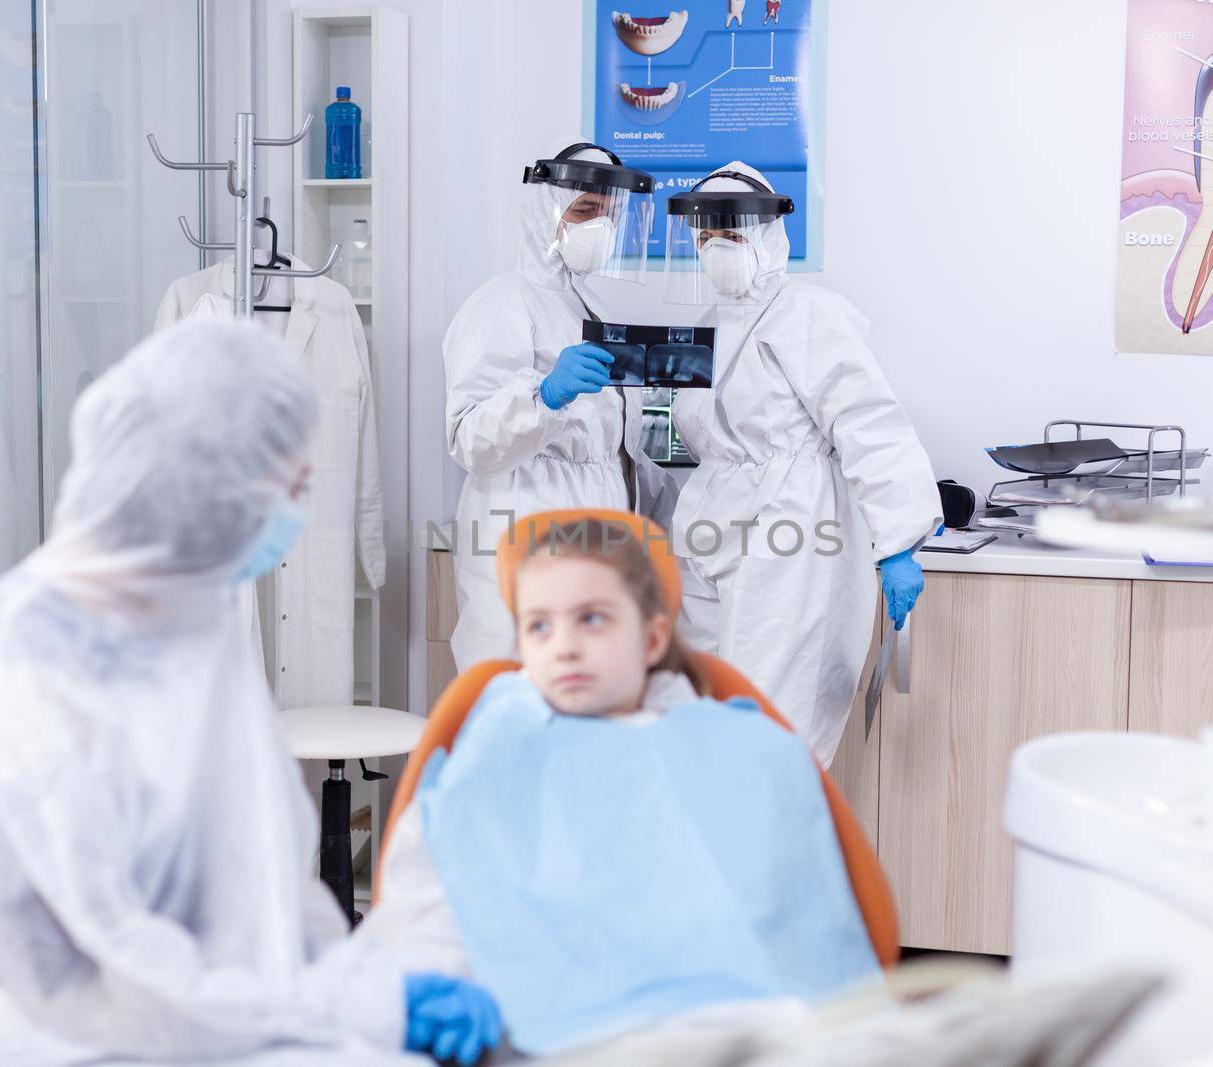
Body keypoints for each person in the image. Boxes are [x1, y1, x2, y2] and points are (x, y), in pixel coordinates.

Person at [0, 320, 500, 1067]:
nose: (300, 509)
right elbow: (99, 976)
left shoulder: (190, 626)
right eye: (288, 486)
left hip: (175, 1013)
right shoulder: (8, 678)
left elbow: (258, 875)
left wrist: (355, 977)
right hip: (7, 1040)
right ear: (196, 487)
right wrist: (356, 1006)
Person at [360, 515, 881, 1057]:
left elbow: (795, 925)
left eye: (592, 619)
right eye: (539, 626)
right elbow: (441, 887)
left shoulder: (738, 745)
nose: (564, 646)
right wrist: (435, 983)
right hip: (550, 1027)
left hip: (721, 1024)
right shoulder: (502, 737)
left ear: (653, 637)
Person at [665, 163, 942, 766]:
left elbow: (867, 422)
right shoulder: (706, 325)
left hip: (793, 531)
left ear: (769, 235)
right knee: (706, 716)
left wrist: (898, 540)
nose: (718, 245)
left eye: (734, 232)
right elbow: (690, 436)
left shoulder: (810, 313)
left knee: (768, 730)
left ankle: (764, 854)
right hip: (711, 529)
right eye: (708, 233)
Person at [443, 141, 676, 671]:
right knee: (519, 700)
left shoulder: (589, 308)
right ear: (545, 211)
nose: (601, 227)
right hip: (527, 533)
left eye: (610, 215)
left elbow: (618, 456)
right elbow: (469, 440)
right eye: (586, 211)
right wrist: (542, 397)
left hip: (599, 543)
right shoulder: (500, 304)